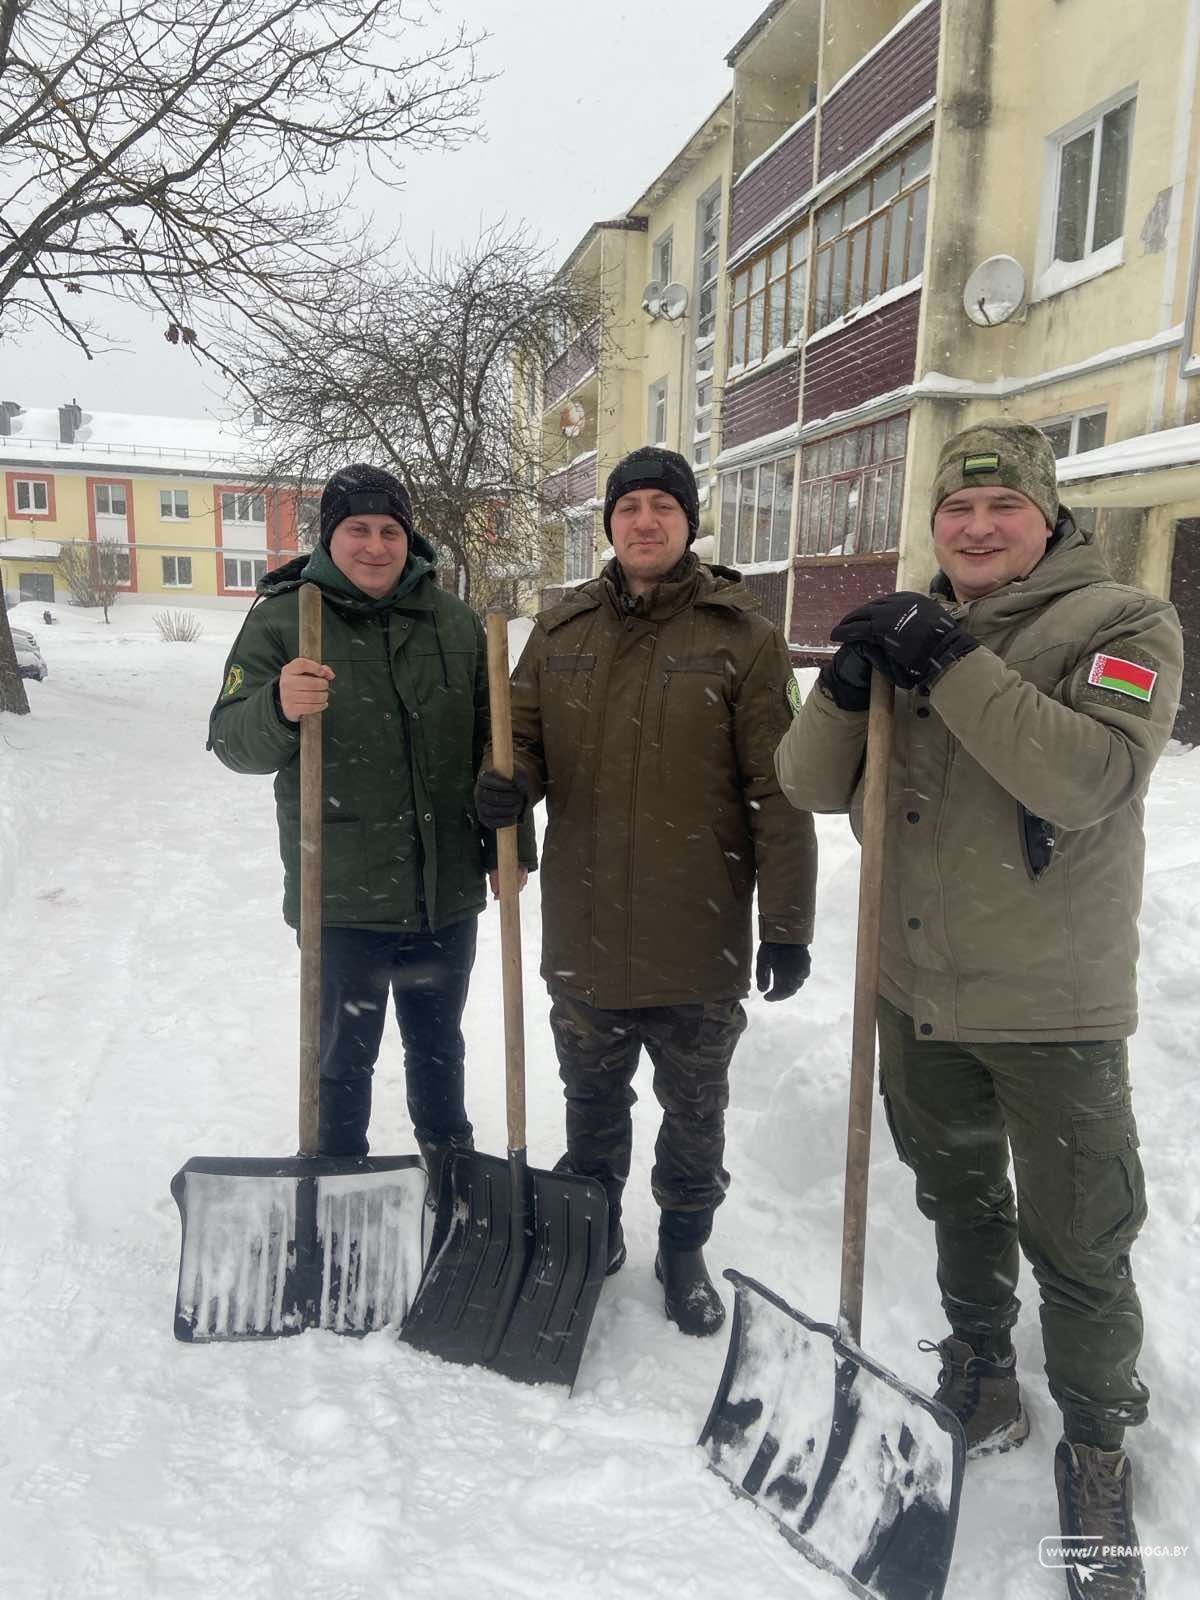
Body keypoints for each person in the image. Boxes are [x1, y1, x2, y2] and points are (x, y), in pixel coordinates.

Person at [775, 419, 1182, 1599]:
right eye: (956, 509)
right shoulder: (906, 627)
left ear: (1047, 515)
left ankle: (1097, 1452)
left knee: (1081, 1236)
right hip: (916, 990)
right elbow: (806, 784)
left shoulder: (1120, 621)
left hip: (1052, 1003)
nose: (977, 526)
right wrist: (850, 684)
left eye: (1002, 508)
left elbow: (1086, 776)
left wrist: (948, 657)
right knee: (957, 1192)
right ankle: (983, 1367)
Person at [474, 446, 818, 1337]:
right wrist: (507, 786)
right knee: (590, 1100)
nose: (646, 521)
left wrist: (786, 923)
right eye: (629, 507)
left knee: (694, 1110)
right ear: (610, 525)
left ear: (690, 523)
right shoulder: (561, 632)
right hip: (586, 926)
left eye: (664, 506)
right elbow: (526, 744)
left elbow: (779, 788)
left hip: (696, 931)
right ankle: (593, 1228)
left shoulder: (741, 634)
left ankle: (683, 1243)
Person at [208, 464, 535, 1194]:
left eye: (390, 530)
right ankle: (334, 1186)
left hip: (443, 893)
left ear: (408, 537)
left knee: (439, 1049)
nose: (377, 545)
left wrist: (512, 847)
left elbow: (501, 745)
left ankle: (452, 1183)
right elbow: (231, 741)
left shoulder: (453, 622)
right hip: (343, 896)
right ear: (331, 536)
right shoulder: (286, 618)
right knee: (342, 1060)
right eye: (358, 529)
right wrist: (277, 705)